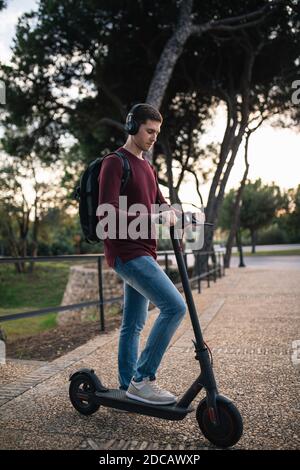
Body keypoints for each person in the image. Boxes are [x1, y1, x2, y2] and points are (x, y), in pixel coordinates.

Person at [98, 103, 186, 405]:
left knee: (133, 324)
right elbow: (105, 214)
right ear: (132, 126)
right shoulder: (115, 162)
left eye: (157, 133)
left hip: (145, 251)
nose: (153, 137)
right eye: (149, 131)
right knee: (175, 307)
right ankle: (143, 379)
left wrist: (177, 213)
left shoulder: (148, 167)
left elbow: (161, 204)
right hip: (126, 252)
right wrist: (151, 218)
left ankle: (126, 387)